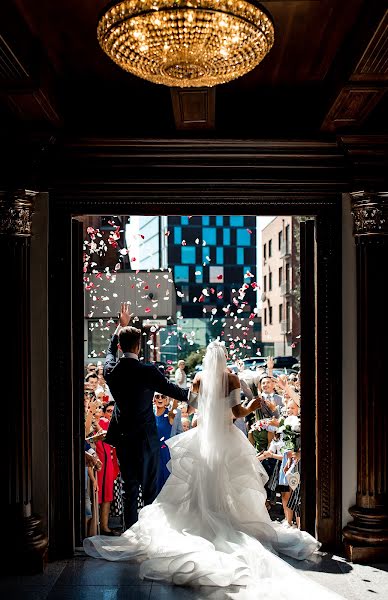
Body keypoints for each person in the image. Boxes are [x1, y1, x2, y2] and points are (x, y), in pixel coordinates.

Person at [84, 340, 342, 600]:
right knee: (230, 485)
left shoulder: (198, 378)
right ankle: (224, 519)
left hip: (204, 438)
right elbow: (236, 412)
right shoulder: (230, 378)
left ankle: (200, 522)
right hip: (226, 438)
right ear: (225, 357)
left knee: (197, 482)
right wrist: (252, 407)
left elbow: (194, 407)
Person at [101, 303, 191, 529]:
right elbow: (176, 392)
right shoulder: (148, 371)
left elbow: (109, 353)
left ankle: (131, 534)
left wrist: (119, 328)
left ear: (121, 346)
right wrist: (202, 396)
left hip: (123, 438)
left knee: (129, 489)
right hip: (147, 439)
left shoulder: (111, 370)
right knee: (151, 491)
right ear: (139, 347)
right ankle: (151, 533)